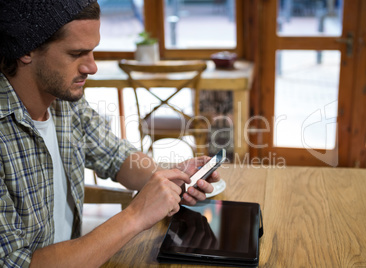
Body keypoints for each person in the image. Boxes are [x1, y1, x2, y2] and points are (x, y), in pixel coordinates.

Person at [0, 1, 219, 267]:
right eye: (76, 53)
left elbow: (115, 155)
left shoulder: (65, 103)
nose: (91, 67)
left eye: (92, 51)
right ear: (26, 51)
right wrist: (136, 215)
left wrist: (166, 179)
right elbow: (15, 264)